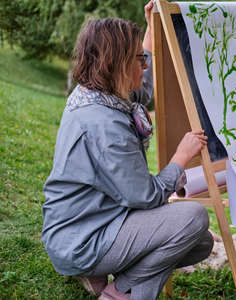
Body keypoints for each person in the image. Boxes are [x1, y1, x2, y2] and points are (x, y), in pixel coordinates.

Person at [41, 2, 214, 300]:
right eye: (138, 59)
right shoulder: (104, 123)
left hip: (102, 218)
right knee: (193, 219)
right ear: (116, 64)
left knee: (200, 243)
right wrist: (181, 157)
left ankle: (110, 276)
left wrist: (150, 28)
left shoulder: (102, 92)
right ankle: (121, 292)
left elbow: (142, 89)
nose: (145, 65)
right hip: (83, 237)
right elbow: (145, 197)